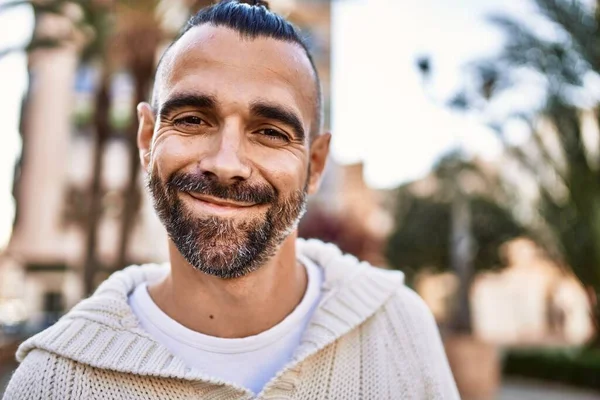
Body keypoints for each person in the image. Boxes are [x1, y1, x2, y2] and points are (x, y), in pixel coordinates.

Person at [4, 1, 459, 399]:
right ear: (147, 139)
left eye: (270, 132)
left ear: (316, 165)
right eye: (192, 119)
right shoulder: (51, 381)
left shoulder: (401, 329)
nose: (227, 163)